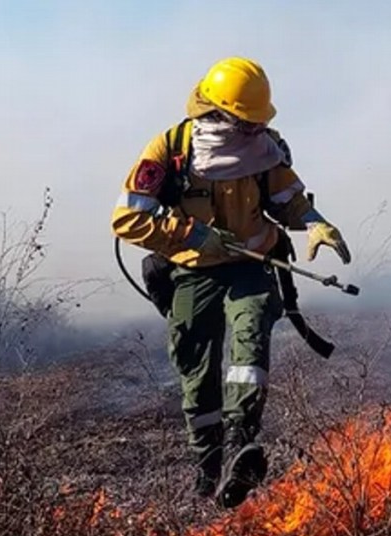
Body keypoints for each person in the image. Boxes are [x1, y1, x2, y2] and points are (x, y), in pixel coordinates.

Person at [111, 56, 351, 508]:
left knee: (250, 336)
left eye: (259, 123)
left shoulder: (264, 150)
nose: (255, 131)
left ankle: (242, 443)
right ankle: (207, 468)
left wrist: (315, 222)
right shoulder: (172, 148)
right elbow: (126, 219)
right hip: (192, 270)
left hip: (250, 263)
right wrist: (192, 235)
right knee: (194, 367)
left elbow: (288, 198)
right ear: (220, 112)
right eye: (247, 122)